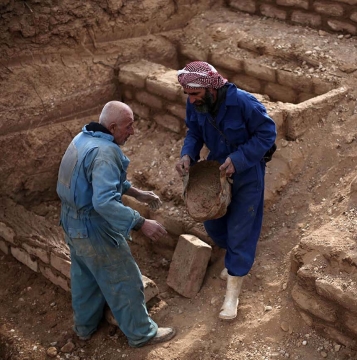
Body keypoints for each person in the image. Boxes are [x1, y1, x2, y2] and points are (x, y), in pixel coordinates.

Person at [56, 101, 176, 347]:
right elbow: (104, 203)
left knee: (85, 278)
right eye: (128, 126)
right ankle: (142, 334)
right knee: (124, 279)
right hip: (93, 228)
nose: (132, 131)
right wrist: (140, 222)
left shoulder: (84, 138)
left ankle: (84, 328)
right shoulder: (105, 152)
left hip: (71, 222)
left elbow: (96, 181)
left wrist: (137, 193)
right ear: (112, 127)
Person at [175, 61, 277, 320]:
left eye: (195, 94)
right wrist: (188, 154)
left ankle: (232, 293)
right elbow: (194, 133)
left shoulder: (244, 103)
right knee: (214, 225)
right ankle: (234, 260)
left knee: (242, 228)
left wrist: (240, 159)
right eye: (188, 95)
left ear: (211, 89)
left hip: (247, 173)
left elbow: (267, 134)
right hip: (215, 171)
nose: (192, 99)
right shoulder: (195, 103)